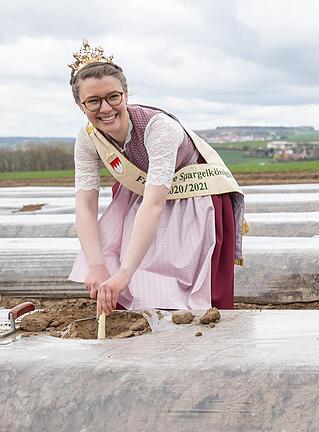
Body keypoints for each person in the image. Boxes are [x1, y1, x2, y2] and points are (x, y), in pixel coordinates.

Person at [67, 40, 246, 317]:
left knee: (170, 286)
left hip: (192, 198)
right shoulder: (87, 139)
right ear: (80, 105)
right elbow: (85, 204)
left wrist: (125, 273)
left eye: (113, 97)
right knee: (124, 273)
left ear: (125, 94)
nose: (105, 108)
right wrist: (97, 265)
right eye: (93, 101)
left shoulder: (158, 128)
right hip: (140, 196)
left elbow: (154, 204)